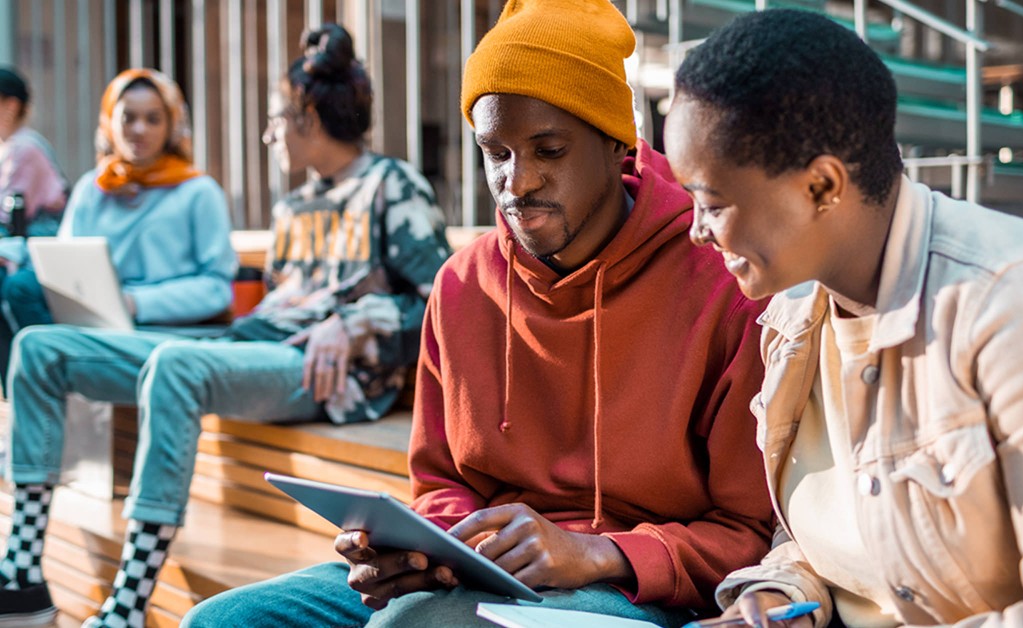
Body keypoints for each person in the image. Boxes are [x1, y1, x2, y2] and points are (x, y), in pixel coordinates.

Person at [184, 1, 773, 627]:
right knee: (222, 622)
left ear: (614, 141)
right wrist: (417, 547)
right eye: (496, 152)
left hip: (633, 588)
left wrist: (599, 551)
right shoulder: (462, 284)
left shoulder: (723, 284)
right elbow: (441, 483)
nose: (517, 182)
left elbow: (749, 534)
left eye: (547, 149)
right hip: (477, 575)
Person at [664, 9, 1023, 628]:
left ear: (821, 187)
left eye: (711, 204)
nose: (697, 232)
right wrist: (780, 597)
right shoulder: (794, 319)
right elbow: (847, 534)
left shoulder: (1021, 306)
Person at [0, 24, 450, 628]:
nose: (269, 134)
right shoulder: (294, 204)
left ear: (308, 120)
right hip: (259, 346)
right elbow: (281, 303)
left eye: (275, 120)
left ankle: (129, 603)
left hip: (328, 378)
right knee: (38, 349)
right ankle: (23, 573)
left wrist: (355, 321)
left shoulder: (393, 185)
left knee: (175, 365)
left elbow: (443, 304)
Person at [0, 68, 236, 389]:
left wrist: (135, 302)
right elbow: (64, 263)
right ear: (110, 121)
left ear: (171, 127)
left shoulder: (198, 191)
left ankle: (63, 389)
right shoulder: (93, 188)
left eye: (153, 119)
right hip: (95, 325)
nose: (139, 129)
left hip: (164, 332)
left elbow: (217, 289)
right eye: (128, 118)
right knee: (20, 291)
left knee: (39, 356)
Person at [0, 66, 68, 237]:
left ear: (11, 106)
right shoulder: (10, 145)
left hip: (35, 245)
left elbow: (8, 213)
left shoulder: (24, 148)